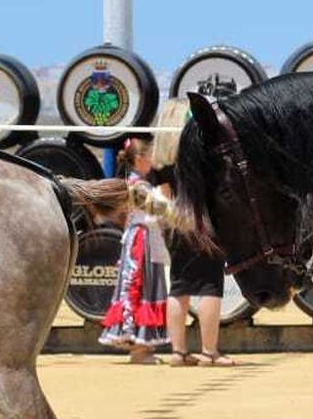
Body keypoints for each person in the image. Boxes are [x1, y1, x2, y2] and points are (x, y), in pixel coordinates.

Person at [150, 99, 236, 366]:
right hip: (204, 220)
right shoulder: (199, 153)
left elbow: (164, 195)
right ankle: (209, 352)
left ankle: (177, 352)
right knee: (210, 284)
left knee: (179, 285)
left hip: (174, 221)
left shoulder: (160, 158)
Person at [98, 137, 170, 363]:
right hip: (141, 240)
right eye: (149, 157)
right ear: (139, 159)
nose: (152, 161)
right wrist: (166, 192)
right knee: (142, 288)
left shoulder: (139, 183)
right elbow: (161, 210)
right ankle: (139, 349)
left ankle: (142, 346)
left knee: (147, 288)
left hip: (145, 238)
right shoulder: (137, 185)